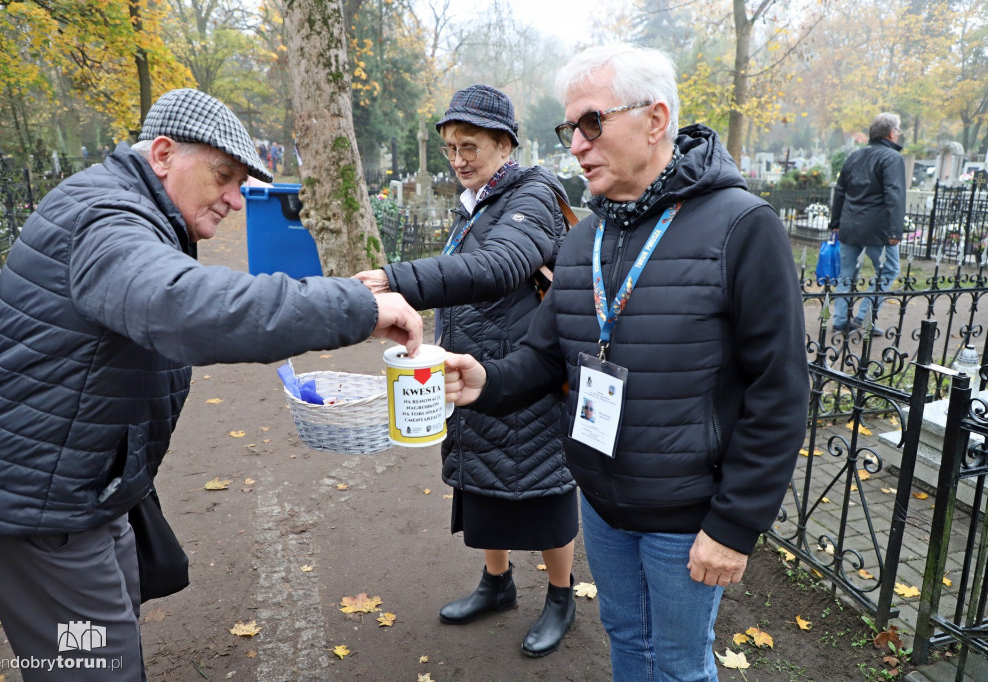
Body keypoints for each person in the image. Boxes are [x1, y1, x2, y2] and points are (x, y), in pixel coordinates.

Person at [0, 87, 422, 682]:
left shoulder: (127, 208)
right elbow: (185, 307)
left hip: (78, 487)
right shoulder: (105, 220)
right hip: (43, 509)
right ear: (161, 154)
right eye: (224, 176)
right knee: (92, 668)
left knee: (103, 647)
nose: (236, 198)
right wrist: (356, 305)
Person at [442, 45, 809, 681]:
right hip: (603, 507)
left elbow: (778, 391)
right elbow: (543, 354)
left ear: (655, 118)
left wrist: (735, 524)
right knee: (624, 641)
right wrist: (486, 380)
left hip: (687, 516)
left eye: (592, 123)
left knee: (678, 665)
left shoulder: (741, 226)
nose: (577, 145)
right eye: (570, 129)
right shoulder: (584, 235)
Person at [353, 84, 576, 657]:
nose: (457, 159)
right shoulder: (476, 201)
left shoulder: (533, 198)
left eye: (470, 145)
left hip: (525, 373)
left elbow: (498, 267)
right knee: (485, 484)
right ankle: (496, 585)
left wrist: (396, 279)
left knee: (543, 490)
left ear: (505, 145)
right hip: (470, 368)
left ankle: (560, 596)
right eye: (451, 146)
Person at [829, 112, 906, 336]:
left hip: (850, 224)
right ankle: (863, 318)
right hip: (877, 228)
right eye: (898, 131)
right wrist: (894, 230)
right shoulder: (892, 158)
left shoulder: (854, 156)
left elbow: (840, 190)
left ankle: (841, 321)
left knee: (846, 273)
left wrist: (836, 221)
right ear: (892, 133)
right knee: (889, 269)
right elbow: (895, 194)